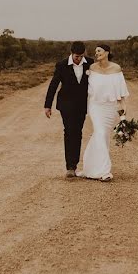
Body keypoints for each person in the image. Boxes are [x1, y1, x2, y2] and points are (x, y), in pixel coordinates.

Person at [79, 44, 129, 182]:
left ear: (107, 52)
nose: (96, 53)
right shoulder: (92, 68)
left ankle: (90, 167)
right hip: (95, 106)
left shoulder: (116, 68)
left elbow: (121, 93)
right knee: (100, 132)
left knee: (103, 136)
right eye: (95, 52)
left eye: (99, 51)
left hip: (110, 108)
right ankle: (105, 171)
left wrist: (123, 113)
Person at [45, 41, 94, 178]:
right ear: (71, 53)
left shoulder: (90, 63)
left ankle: (75, 163)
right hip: (66, 104)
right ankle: (70, 167)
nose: (78, 59)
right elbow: (54, 84)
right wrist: (47, 105)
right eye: (76, 56)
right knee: (69, 131)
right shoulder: (61, 65)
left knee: (78, 132)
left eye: (80, 56)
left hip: (82, 105)